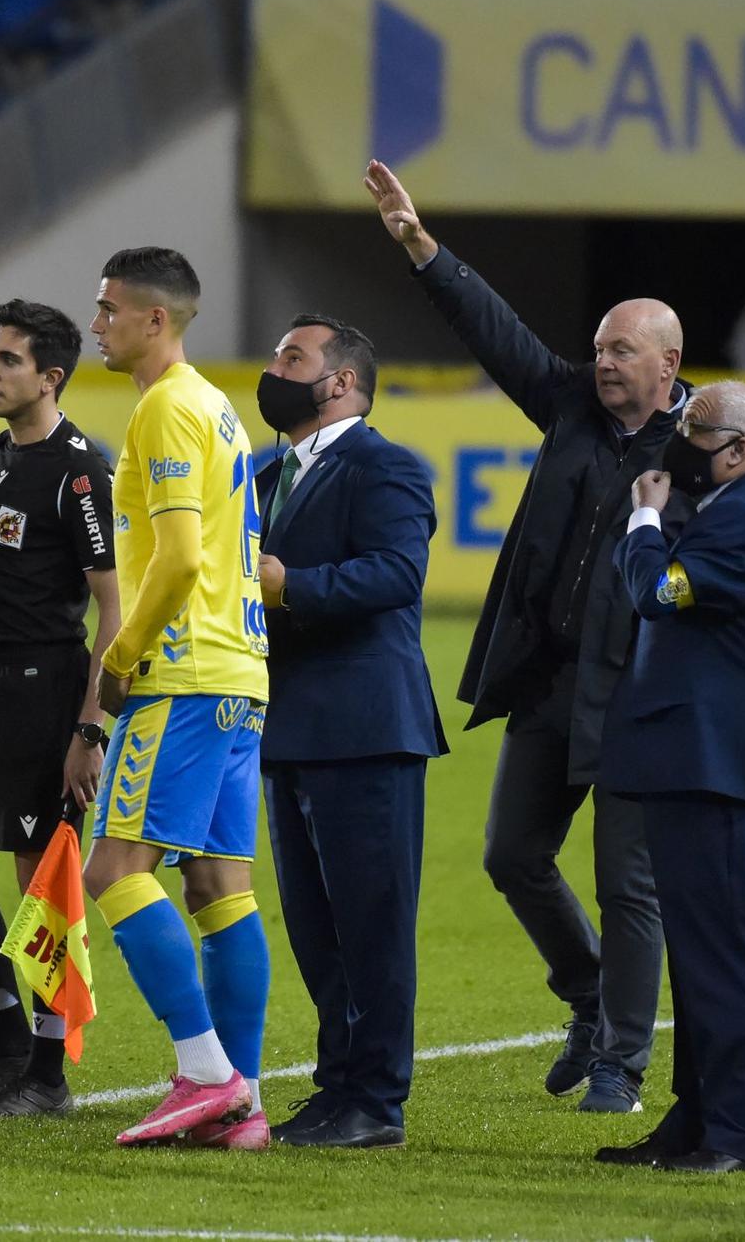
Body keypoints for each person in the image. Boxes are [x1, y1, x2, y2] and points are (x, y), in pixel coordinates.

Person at [365, 158, 689, 1115]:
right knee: (512, 852)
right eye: (599, 346)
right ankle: (588, 993)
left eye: (622, 350)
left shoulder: (701, 451)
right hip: (550, 680)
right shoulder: (572, 407)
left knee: (630, 883)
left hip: (636, 696)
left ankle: (622, 1063)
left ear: (668, 365)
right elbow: (495, 334)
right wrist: (422, 247)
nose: (603, 361)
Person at [595, 382, 745, 1174]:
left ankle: (743, 1134)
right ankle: (697, 1122)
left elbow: (656, 593)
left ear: (737, 451)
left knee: (730, 955)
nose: (678, 442)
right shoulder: (736, 511)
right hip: (705, 767)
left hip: (730, 773)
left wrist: (644, 518)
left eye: (694, 430)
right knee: (699, 958)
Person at [83, 247, 273, 1151]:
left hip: (183, 674)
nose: (98, 323)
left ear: (157, 319)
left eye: (111, 308)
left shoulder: (164, 409)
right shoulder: (217, 407)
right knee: (220, 887)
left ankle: (206, 1074)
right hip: (242, 676)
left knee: (114, 872)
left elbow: (182, 558)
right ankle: (242, 1104)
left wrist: (121, 657)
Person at [0, 300, 122, 1118]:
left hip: (46, 686)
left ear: (51, 377)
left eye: (7, 361)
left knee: (37, 882)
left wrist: (89, 727)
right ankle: (7, 1041)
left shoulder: (80, 471)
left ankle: (47, 1073)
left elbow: (115, 612)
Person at [251, 315, 448, 1149]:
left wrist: (289, 582)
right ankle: (337, 1087)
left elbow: (398, 573)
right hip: (286, 727)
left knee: (371, 921)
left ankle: (378, 1098)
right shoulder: (263, 473)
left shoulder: (389, 467)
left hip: (367, 727)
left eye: (292, 356)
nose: (274, 368)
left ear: (339, 382)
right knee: (315, 926)